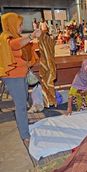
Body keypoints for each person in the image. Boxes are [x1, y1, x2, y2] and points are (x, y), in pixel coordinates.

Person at [0, 12, 41, 147]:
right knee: (21, 106)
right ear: (11, 24)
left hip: (21, 75)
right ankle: (25, 135)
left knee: (24, 101)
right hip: (13, 77)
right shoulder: (6, 38)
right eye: (19, 24)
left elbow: (24, 47)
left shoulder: (15, 37)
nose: (21, 27)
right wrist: (31, 36)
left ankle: (23, 124)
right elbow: (16, 45)